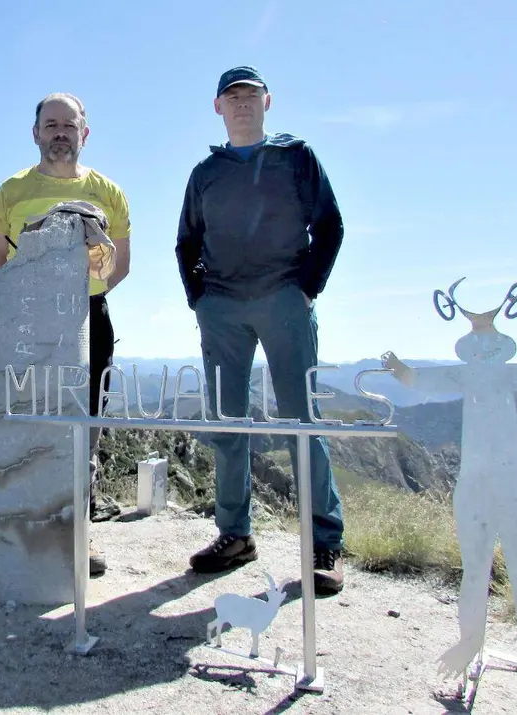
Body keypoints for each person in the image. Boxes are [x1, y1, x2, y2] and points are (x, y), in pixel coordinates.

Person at [174, 66, 347, 594]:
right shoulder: (206, 172)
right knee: (227, 422)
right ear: (218, 107)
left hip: (284, 300)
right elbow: (186, 241)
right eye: (233, 96)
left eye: (250, 94)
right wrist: (200, 299)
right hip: (223, 306)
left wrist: (306, 288)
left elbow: (331, 224)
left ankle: (324, 544)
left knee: (302, 419)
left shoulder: (297, 158)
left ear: (267, 102)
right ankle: (235, 535)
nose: (242, 103)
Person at [0, 92, 132, 576]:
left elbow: (118, 266)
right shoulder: (10, 191)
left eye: (69, 125)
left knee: (84, 427)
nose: (60, 133)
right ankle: (26, 529)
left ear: (84, 133)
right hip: (27, 317)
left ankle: (77, 534)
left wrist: (86, 273)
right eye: (51, 125)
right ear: (35, 133)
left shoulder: (109, 192)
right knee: (32, 421)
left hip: (89, 315)